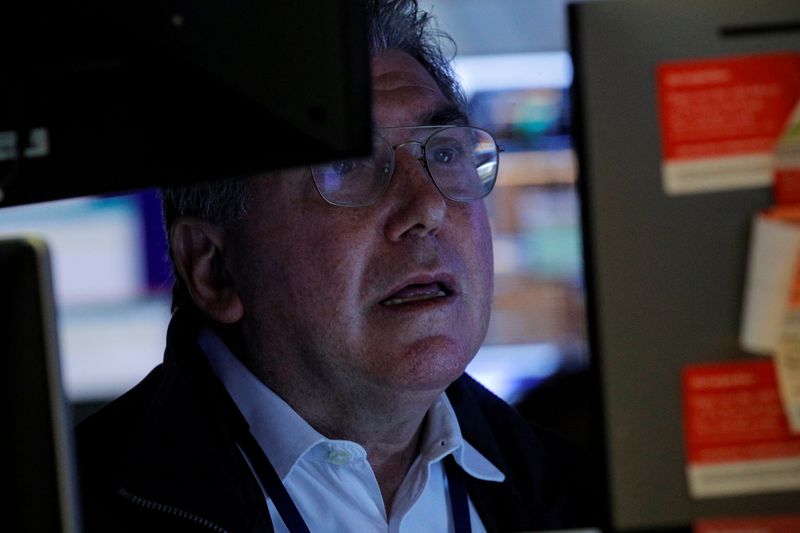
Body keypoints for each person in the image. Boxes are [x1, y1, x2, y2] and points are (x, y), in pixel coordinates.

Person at [76, 1, 593, 531]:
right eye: (347, 166)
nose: (427, 207)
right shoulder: (64, 505)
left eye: (443, 153)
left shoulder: (582, 491)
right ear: (214, 268)